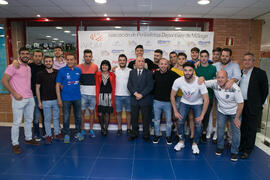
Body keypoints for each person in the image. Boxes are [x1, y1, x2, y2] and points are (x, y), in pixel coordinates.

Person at [1, 47, 40, 154]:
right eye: (23, 54)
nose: (25, 55)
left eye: (27, 53)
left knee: (28, 120)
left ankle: (28, 138)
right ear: (19, 55)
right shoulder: (13, 66)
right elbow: (4, 81)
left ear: (29, 55)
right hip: (18, 98)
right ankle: (15, 144)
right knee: (17, 122)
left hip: (30, 97)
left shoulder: (28, 67)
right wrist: (14, 93)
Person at [204, 70, 244, 161]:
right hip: (221, 111)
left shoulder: (235, 88)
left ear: (227, 78)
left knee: (236, 131)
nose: (220, 79)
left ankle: (234, 152)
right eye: (218, 77)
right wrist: (201, 78)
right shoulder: (214, 83)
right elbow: (202, 82)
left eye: (222, 77)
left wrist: (237, 118)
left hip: (234, 112)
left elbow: (241, 104)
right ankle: (220, 147)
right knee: (220, 129)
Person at [171, 62, 209, 154]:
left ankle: (195, 144)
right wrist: (175, 111)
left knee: (199, 123)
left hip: (197, 103)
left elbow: (206, 99)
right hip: (184, 102)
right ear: (183, 71)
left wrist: (202, 115)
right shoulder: (178, 81)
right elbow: (172, 96)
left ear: (193, 71)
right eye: (185, 70)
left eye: (190, 70)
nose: (187, 72)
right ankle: (181, 141)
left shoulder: (199, 81)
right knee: (180, 121)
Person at [239, 52, 268, 159]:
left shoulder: (260, 73)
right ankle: (241, 146)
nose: (246, 62)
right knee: (242, 127)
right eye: (245, 60)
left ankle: (248, 150)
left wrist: (259, 104)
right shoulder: (240, 73)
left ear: (253, 61)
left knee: (251, 128)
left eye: (249, 60)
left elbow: (265, 91)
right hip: (241, 104)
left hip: (253, 105)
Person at [213, 48, 241, 146]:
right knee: (220, 118)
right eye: (223, 55)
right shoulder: (216, 65)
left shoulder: (235, 65)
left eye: (226, 56)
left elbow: (237, 76)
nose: (224, 58)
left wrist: (231, 81)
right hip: (219, 97)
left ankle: (230, 139)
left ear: (230, 57)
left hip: (231, 98)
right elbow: (207, 68)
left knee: (231, 121)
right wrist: (198, 62)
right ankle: (218, 136)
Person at [56, 54, 84, 143]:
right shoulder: (61, 71)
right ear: (66, 60)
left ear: (75, 60)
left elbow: (79, 82)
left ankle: (78, 132)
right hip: (65, 98)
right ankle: (66, 134)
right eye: (68, 59)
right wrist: (59, 99)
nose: (69, 61)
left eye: (71, 59)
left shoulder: (78, 70)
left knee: (78, 117)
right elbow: (57, 85)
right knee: (66, 117)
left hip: (77, 98)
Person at [36, 56, 62, 144]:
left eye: (49, 61)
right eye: (46, 61)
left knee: (56, 118)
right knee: (47, 119)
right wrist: (39, 101)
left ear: (52, 62)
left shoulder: (57, 72)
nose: (48, 63)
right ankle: (48, 135)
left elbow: (60, 85)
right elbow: (37, 88)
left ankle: (57, 133)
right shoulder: (40, 74)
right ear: (44, 62)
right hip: (45, 101)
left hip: (55, 99)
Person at [152, 58, 178, 145]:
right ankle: (156, 135)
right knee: (156, 120)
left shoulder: (172, 74)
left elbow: (182, 79)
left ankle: (168, 136)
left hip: (168, 102)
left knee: (168, 121)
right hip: (157, 101)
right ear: (158, 65)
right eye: (161, 64)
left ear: (168, 65)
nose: (163, 65)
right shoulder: (155, 73)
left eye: (165, 64)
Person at [127, 56, 154, 142]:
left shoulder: (149, 73)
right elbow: (129, 85)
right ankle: (134, 134)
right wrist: (135, 93)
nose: (141, 63)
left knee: (146, 119)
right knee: (134, 118)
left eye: (142, 61)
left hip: (145, 99)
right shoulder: (132, 72)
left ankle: (146, 135)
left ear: (144, 63)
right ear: (135, 63)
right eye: (139, 61)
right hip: (134, 99)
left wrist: (142, 94)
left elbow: (150, 86)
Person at [195, 50, 216, 142]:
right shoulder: (196, 67)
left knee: (206, 116)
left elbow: (215, 81)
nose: (203, 58)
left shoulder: (213, 68)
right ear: (200, 57)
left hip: (209, 96)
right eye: (202, 56)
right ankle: (198, 133)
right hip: (198, 96)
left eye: (205, 56)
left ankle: (204, 132)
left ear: (208, 57)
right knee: (198, 115)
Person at [77, 49, 98, 138]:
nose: (88, 58)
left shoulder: (95, 67)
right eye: (86, 56)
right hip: (82, 94)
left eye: (89, 56)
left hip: (92, 94)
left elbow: (97, 79)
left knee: (92, 112)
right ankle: (82, 129)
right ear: (83, 57)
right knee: (82, 112)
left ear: (92, 57)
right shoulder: (78, 67)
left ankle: (91, 129)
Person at [95, 60, 116, 136]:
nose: (104, 66)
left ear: (109, 67)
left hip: (108, 96)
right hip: (100, 96)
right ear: (101, 66)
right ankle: (102, 128)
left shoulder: (112, 75)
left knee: (107, 113)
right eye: (103, 65)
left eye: (106, 65)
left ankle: (106, 129)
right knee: (100, 113)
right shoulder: (97, 74)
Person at [114, 54, 132, 136]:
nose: (122, 62)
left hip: (128, 95)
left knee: (129, 113)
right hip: (117, 95)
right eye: (120, 60)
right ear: (118, 61)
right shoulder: (114, 70)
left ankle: (128, 128)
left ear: (126, 61)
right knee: (118, 113)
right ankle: (119, 128)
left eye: (123, 60)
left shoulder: (130, 71)